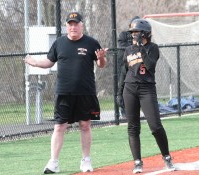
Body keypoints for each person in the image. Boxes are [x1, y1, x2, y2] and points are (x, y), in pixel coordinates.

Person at [25, 12, 107, 174]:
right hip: (64, 92)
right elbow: (49, 62)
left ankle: (86, 160)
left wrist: (102, 58)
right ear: (67, 26)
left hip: (86, 92)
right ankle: (53, 162)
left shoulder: (91, 43)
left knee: (85, 125)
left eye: (76, 24)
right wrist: (34, 62)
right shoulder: (59, 43)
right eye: (70, 24)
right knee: (60, 126)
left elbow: (101, 64)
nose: (73, 27)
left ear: (81, 25)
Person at [118, 18, 175, 174]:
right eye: (132, 32)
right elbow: (124, 71)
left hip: (147, 89)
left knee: (155, 126)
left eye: (136, 32)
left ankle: (167, 157)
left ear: (145, 33)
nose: (133, 35)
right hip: (129, 89)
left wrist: (141, 47)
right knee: (133, 127)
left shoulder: (153, 48)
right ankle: (137, 162)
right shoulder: (128, 49)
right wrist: (119, 92)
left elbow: (149, 65)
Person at [117, 16, 140, 118]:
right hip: (124, 66)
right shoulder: (124, 35)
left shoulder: (142, 37)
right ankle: (124, 112)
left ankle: (135, 112)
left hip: (137, 68)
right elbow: (124, 48)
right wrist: (134, 46)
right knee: (124, 88)